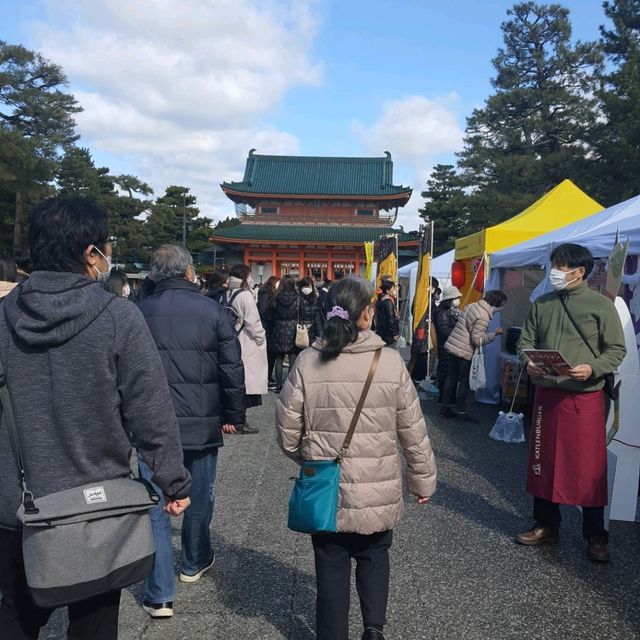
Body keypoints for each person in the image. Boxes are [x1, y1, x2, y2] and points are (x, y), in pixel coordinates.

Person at [0, 196, 191, 640]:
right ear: (91, 254)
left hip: (16, 503)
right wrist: (173, 481)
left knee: (16, 614)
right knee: (95, 620)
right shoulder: (117, 317)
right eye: (105, 246)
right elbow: (150, 411)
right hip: (97, 503)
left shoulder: (4, 318)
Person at [276, 276, 437, 640]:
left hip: (324, 490)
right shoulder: (391, 362)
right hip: (376, 489)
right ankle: (373, 630)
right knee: (375, 556)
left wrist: (309, 457)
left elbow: (286, 429)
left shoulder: (307, 361)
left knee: (330, 567)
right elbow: (413, 429)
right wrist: (422, 479)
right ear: (367, 315)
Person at [136, 245, 245, 617]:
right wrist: (233, 413)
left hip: (150, 424)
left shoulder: (137, 311)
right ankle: (194, 561)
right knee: (200, 493)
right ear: (188, 273)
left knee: (153, 504)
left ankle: (159, 593)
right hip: (201, 420)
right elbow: (231, 367)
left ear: (154, 274)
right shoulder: (213, 310)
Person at [516, 243, 626, 563]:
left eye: (562, 266)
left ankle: (595, 535)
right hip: (547, 394)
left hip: (584, 397)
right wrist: (529, 361)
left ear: (580, 272)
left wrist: (593, 367)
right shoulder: (542, 304)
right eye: (554, 265)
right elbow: (527, 340)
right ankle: (546, 525)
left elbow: (616, 350)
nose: (556, 272)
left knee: (588, 467)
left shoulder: (600, 306)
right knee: (542, 461)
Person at [441, 289, 507, 422]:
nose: (503, 307)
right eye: (503, 304)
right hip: (464, 350)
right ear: (497, 303)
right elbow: (477, 340)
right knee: (464, 382)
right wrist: (494, 334)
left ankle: (445, 406)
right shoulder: (483, 316)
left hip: (453, 345)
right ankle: (461, 411)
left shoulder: (472, 305)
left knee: (451, 378)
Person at [222, 263, 267, 434]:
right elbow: (253, 322)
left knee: (234, 381)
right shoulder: (245, 295)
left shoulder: (227, 293)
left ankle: (234, 418)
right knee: (245, 384)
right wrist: (261, 338)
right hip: (246, 342)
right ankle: (240, 419)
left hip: (231, 339)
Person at [272, 274, 300, 392]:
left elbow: (272, 311)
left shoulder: (276, 297)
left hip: (279, 326)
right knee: (292, 356)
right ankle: (289, 386)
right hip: (292, 327)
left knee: (279, 357)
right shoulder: (297, 297)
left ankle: (278, 385)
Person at [434, 286, 462, 400]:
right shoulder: (443, 313)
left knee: (449, 374)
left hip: (448, 346)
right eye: (456, 298)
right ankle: (445, 399)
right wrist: (459, 333)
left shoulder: (450, 311)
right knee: (446, 374)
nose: (458, 300)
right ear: (450, 299)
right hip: (445, 347)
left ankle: (447, 398)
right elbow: (444, 330)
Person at [257, 275, 280, 390]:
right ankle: (266, 377)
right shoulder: (266, 294)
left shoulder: (268, 292)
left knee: (270, 354)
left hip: (269, 327)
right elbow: (263, 310)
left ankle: (268, 376)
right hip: (267, 327)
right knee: (268, 354)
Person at [296, 276, 321, 348]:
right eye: (305, 286)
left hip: (313, 330)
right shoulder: (298, 298)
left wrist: (320, 333)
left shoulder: (315, 299)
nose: (307, 288)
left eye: (309, 286)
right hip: (302, 329)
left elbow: (317, 316)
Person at [375, 280, 400, 346]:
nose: (394, 290)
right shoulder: (388, 301)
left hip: (381, 330)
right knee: (391, 351)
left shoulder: (380, 299)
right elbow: (390, 319)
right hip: (388, 333)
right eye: (393, 288)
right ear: (387, 291)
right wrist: (394, 333)